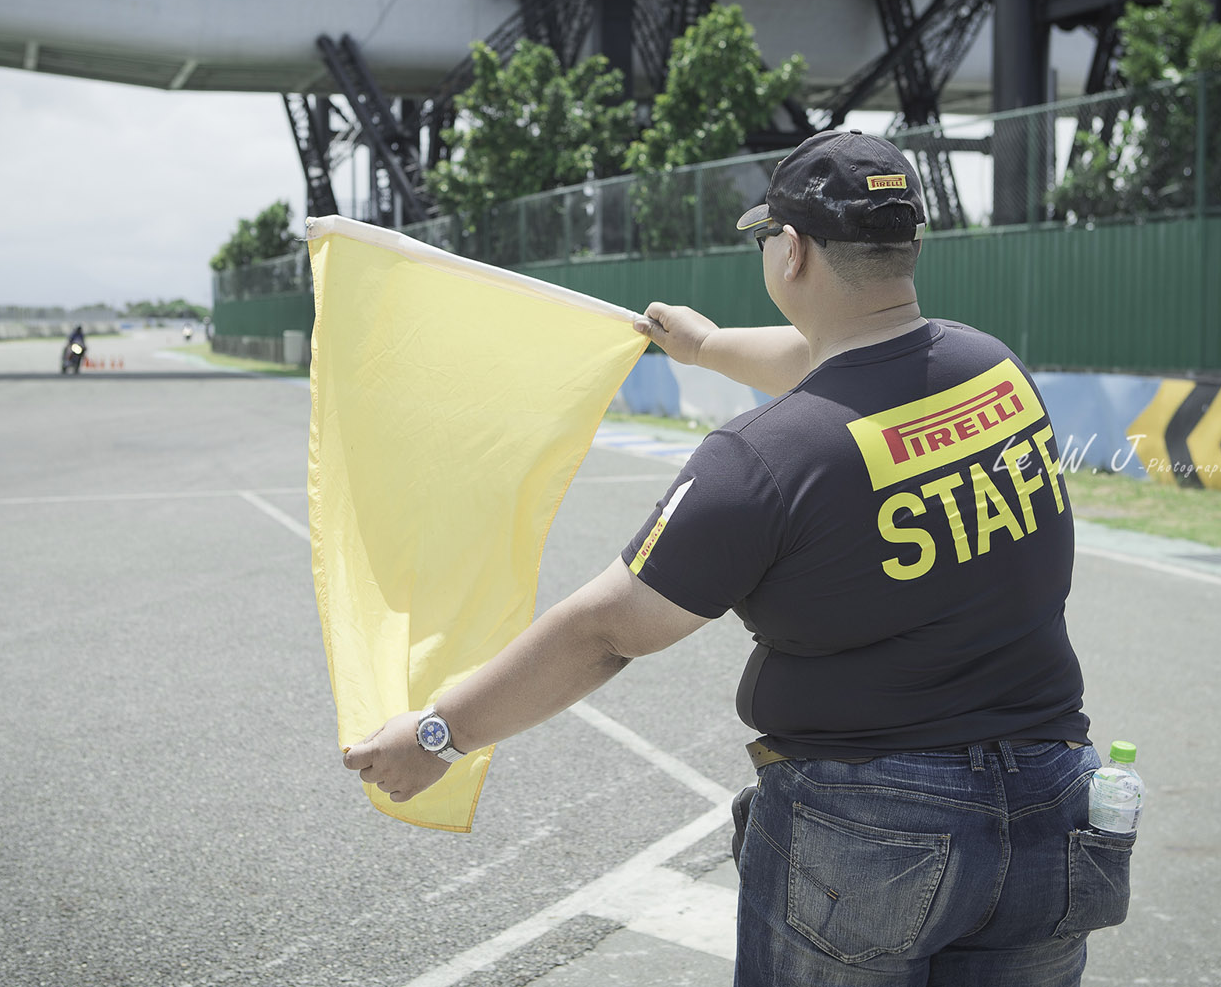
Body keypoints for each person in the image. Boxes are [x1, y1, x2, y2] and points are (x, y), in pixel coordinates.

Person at [342, 131, 1131, 986]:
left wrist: (438, 735)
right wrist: (706, 344)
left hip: (876, 829)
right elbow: (829, 362)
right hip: (1059, 807)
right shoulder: (992, 369)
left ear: (791, 250)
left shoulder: (760, 459)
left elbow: (607, 631)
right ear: (904, 243)